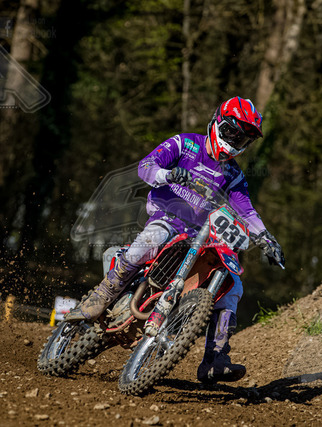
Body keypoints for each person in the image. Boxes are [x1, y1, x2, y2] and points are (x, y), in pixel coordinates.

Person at [66, 96, 284, 384]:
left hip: (201, 236)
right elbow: (146, 165)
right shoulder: (186, 144)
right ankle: (103, 294)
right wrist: (168, 174)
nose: (236, 141)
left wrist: (266, 238)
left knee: (234, 284)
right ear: (218, 123)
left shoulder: (233, 174)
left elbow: (247, 210)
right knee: (152, 238)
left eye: (243, 138)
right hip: (167, 218)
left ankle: (215, 357)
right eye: (233, 132)